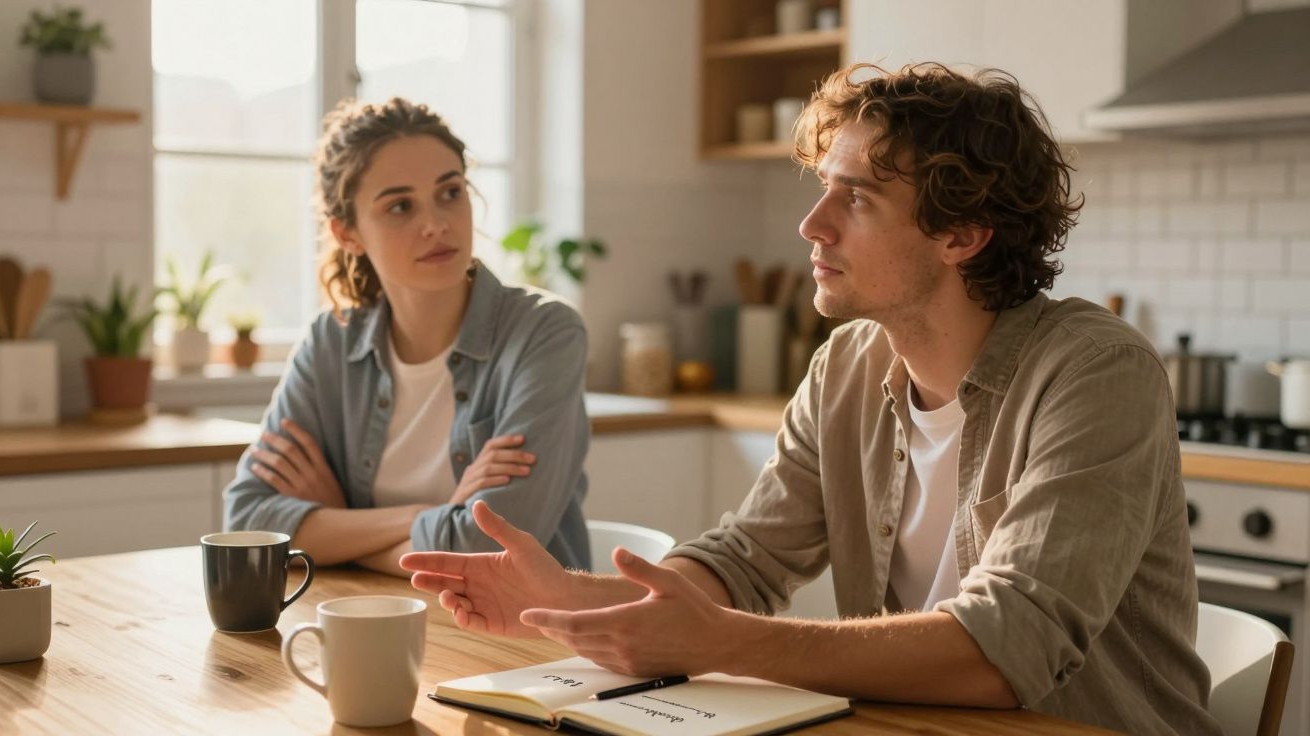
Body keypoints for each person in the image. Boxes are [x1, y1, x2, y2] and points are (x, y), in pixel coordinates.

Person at [398, 64, 1221, 735]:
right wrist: (577, 599)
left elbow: (1002, 653)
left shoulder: (1095, 372)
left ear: (962, 235)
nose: (812, 225)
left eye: (856, 198)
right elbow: (744, 561)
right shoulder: (848, 366)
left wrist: (731, 644)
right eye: (824, 188)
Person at [224, 97, 591, 575]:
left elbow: (487, 552)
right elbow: (248, 526)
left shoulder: (545, 333)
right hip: (368, 621)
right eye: (400, 206)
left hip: (522, 642)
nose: (436, 224)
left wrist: (341, 529)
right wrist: (424, 516)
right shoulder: (330, 343)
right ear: (348, 233)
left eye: (450, 192)